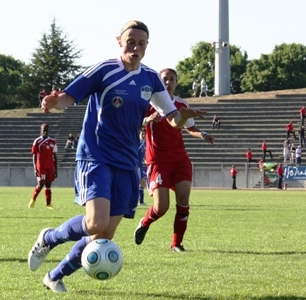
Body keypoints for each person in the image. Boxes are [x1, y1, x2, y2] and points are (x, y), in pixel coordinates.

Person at [27, 20, 206, 293]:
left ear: (147, 46)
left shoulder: (150, 78)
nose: (135, 47)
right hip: (96, 155)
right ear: (119, 41)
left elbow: (172, 119)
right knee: (95, 222)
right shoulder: (105, 70)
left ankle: (55, 275)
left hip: (127, 162)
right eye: (130, 41)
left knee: (103, 235)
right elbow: (68, 97)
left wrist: (183, 118)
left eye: (141, 43)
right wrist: (54, 101)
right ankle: (48, 238)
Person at [134, 68, 214, 252]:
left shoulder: (181, 104)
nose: (168, 82)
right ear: (159, 83)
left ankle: (176, 244)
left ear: (176, 82)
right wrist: (147, 120)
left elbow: (189, 128)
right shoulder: (148, 103)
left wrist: (203, 134)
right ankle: (145, 222)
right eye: (164, 79)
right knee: (161, 208)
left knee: (183, 202)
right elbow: (136, 123)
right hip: (158, 161)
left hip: (180, 159)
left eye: (172, 79)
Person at [28, 123, 58, 209]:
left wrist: (56, 169)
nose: (45, 131)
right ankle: (33, 200)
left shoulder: (53, 142)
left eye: (47, 129)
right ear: (41, 130)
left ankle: (48, 204)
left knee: (48, 185)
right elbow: (34, 155)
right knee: (41, 184)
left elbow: (55, 156)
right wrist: (35, 168)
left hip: (50, 166)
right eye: (44, 129)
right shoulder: (37, 141)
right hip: (41, 166)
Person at [137, 127, 147, 206]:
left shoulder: (144, 143)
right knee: (141, 183)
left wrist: (146, 160)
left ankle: (141, 201)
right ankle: (140, 201)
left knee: (142, 183)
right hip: (136, 165)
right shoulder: (137, 143)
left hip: (140, 165)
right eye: (142, 134)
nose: (143, 135)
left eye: (144, 134)